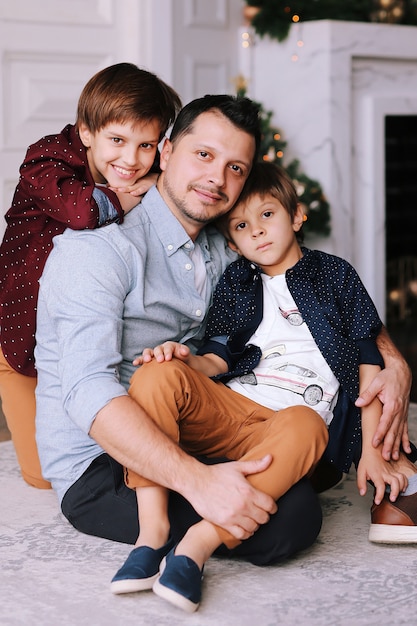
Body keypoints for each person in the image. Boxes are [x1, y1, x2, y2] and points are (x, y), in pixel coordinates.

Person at [34, 95, 412, 584]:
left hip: (196, 424)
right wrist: (199, 482)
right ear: (166, 152)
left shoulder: (228, 245)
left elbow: (324, 294)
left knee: (296, 498)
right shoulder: (96, 250)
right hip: (102, 460)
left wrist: (394, 362)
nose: (218, 178)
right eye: (204, 155)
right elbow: (87, 391)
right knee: (288, 523)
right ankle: (165, 538)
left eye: (236, 167)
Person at [110, 162, 417, 612]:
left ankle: (199, 541)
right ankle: (151, 532)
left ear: (296, 216)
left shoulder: (335, 276)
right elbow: (216, 359)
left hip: (288, 428)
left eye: (267, 215)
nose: (257, 232)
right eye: (241, 225)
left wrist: (372, 447)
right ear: (232, 242)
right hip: (233, 407)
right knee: (155, 374)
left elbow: (368, 360)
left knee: (307, 423)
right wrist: (183, 358)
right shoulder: (237, 282)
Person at [0, 62, 181, 488]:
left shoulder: (149, 172)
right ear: (86, 132)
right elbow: (81, 212)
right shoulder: (45, 158)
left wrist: (158, 181)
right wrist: (131, 195)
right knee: (44, 477)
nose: (131, 160)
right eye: (117, 140)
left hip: (79, 335)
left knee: (108, 449)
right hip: (20, 337)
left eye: (146, 146)